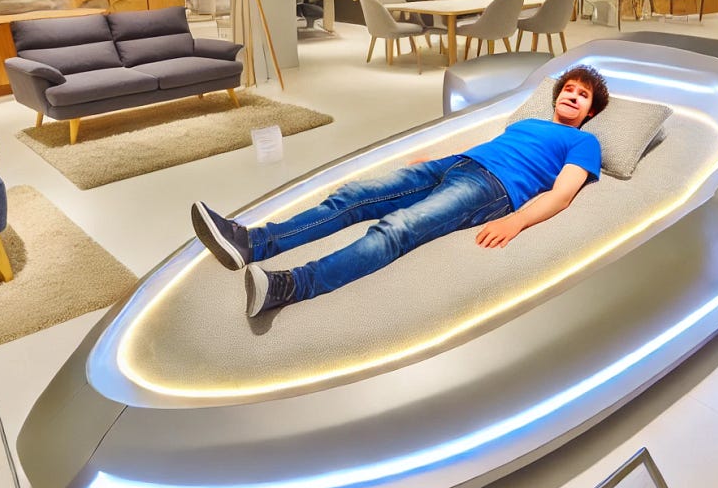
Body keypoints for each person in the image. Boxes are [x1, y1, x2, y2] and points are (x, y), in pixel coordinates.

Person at [191, 66, 610, 316]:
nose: (572, 96)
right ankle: (251, 242)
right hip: (457, 165)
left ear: (590, 111)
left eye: (582, 95)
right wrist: (434, 157)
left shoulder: (584, 142)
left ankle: (289, 286)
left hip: (491, 189)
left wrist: (517, 220)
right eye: (568, 90)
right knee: (354, 195)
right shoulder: (526, 123)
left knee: (396, 229)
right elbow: (488, 147)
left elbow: (563, 192)